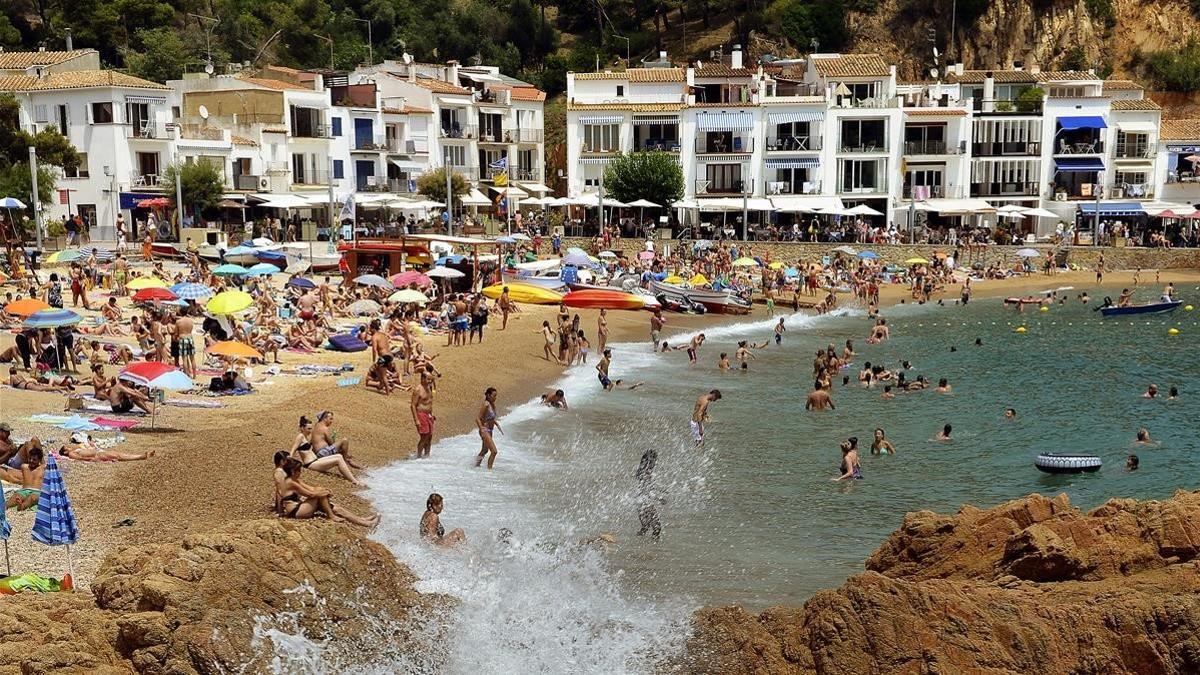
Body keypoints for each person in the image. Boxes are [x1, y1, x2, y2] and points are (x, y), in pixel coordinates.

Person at [277, 458, 379, 528]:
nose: (300, 472)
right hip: (296, 512)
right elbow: (311, 495)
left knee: (336, 507)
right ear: (293, 471)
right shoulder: (290, 482)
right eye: (299, 470)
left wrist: (325, 491)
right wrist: (324, 493)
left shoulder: (295, 480)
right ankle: (331, 516)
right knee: (320, 495)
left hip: (301, 507)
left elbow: (312, 488)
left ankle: (363, 521)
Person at [4, 445, 44, 511]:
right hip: (24, 490)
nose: (31, 461)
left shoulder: (43, 468)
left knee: (32, 498)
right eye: (30, 458)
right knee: (16, 496)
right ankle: (5, 506)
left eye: (34, 459)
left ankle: (22, 506)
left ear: (39, 460)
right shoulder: (24, 467)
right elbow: (11, 472)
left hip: (37, 492)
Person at [635, 449, 663, 540]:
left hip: (640, 503)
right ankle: (654, 548)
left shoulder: (642, 471)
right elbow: (646, 490)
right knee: (657, 527)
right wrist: (659, 498)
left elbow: (647, 487)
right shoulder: (645, 472)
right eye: (654, 460)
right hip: (645, 503)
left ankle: (639, 544)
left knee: (645, 528)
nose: (655, 463)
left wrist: (661, 490)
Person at [411, 368, 435, 458]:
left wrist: (431, 414)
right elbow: (413, 405)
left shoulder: (429, 388)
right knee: (424, 436)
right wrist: (416, 420)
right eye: (428, 379)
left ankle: (427, 456)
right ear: (422, 379)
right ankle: (419, 456)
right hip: (421, 415)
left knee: (430, 437)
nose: (430, 381)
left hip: (429, 415)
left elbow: (429, 402)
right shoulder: (418, 389)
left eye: (431, 379)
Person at [475, 387, 502, 469]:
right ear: (488, 395)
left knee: (484, 450)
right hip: (485, 430)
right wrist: (481, 429)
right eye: (494, 396)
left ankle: (475, 465)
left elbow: (490, 417)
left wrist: (496, 424)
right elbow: (477, 419)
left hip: (490, 430)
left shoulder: (492, 404)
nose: (495, 398)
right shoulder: (486, 404)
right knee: (494, 451)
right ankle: (489, 471)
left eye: (496, 396)